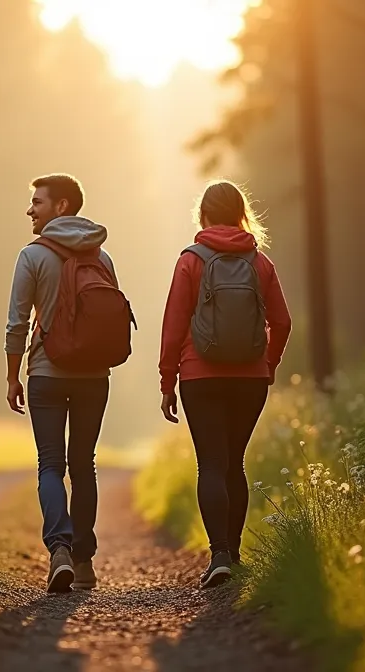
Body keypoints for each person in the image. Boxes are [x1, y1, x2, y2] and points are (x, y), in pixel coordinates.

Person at [158, 180, 291, 588]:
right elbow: (282, 323)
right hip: (250, 378)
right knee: (235, 462)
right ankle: (234, 554)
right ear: (240, 213)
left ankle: (218, 555)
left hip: (200, 376)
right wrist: (267, 364)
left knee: (211, 464)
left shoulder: (190, 261)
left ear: (204, 215)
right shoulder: (260, 262)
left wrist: (167, 380)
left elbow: (174, 325)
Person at [5, 174, 119, 593]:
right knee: (83, 464)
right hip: (94, 376)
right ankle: (85, 561)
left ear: (62, 206)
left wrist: (12, 375)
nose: (30, 210)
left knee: (51, 465)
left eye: (37, 202)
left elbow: (17, 322)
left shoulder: (32, 255)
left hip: (47, 374)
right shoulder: (101, 258)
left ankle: (59, 551)